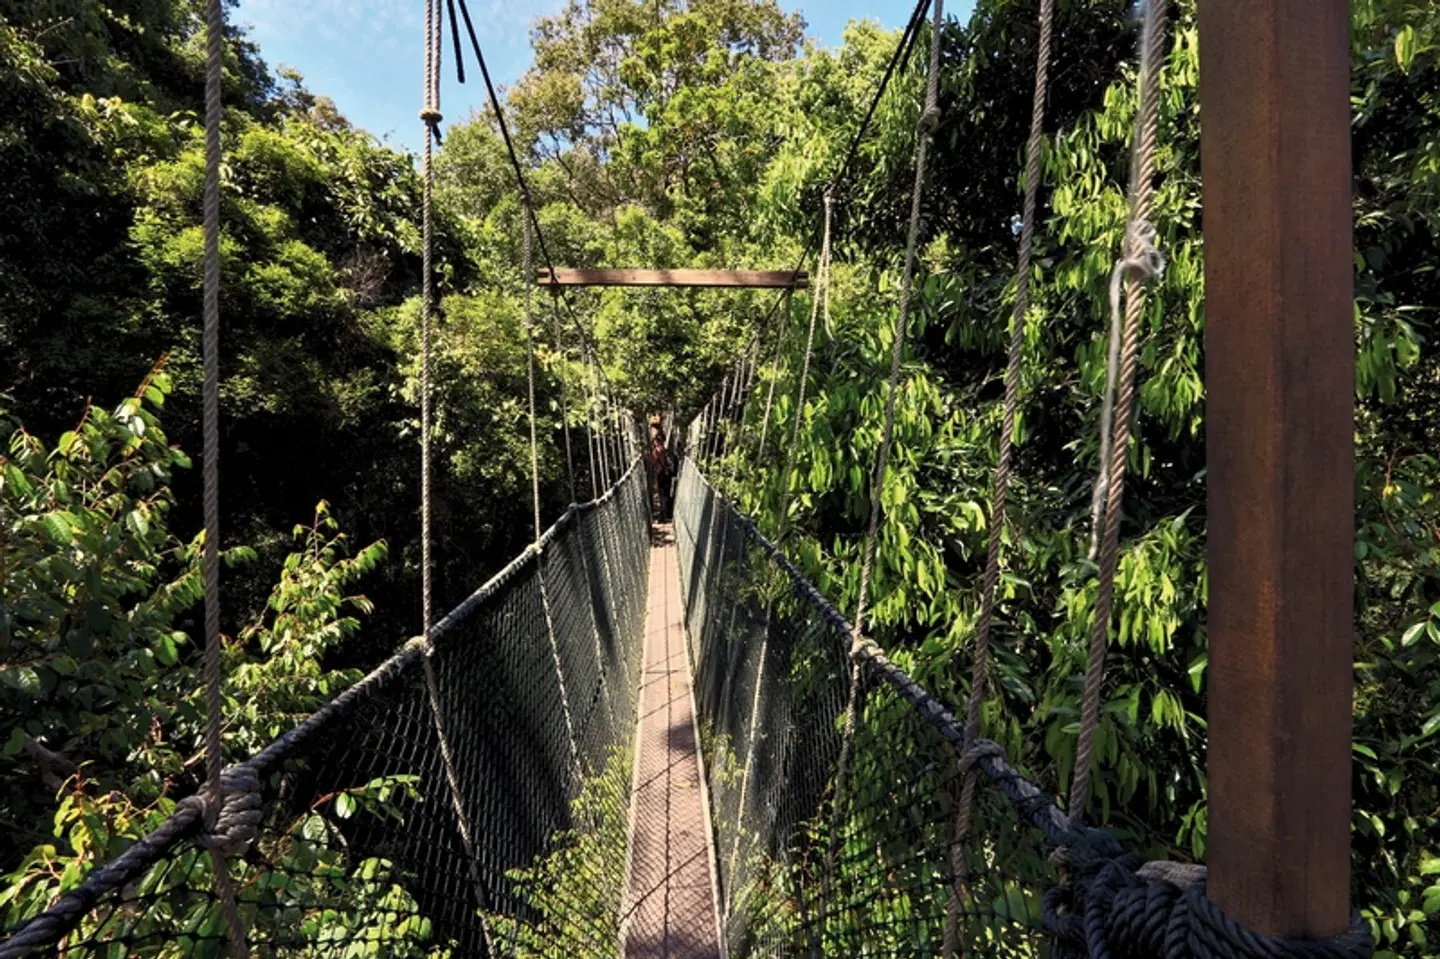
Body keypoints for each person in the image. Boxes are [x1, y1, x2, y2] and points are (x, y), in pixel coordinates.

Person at [648, 431, 677, 521]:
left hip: (661, 475)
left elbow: (653, 461)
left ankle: (663, 516)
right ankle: (667, 514)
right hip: (667, 475)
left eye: (655, 442)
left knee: (661, 495)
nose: (654, 444)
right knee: (667, 494)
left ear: (657, 442)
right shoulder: (666, 451)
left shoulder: (656, 451)